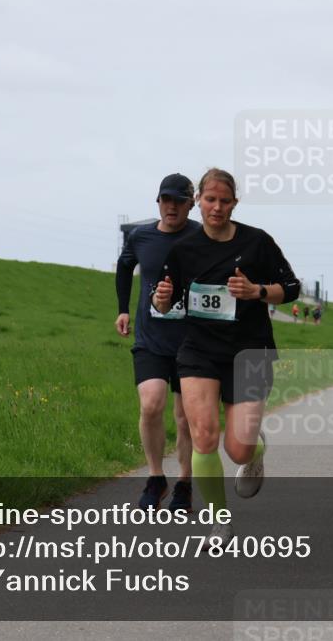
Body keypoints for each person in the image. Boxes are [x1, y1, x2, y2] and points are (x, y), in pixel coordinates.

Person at [152, 168, 300, 545]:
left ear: (235, 203)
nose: (216, 207)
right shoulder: (183, 250)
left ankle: (255, 451)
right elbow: (165, 300)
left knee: (238, 449)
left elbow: (292, 288)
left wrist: (257, 291)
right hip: (199, 351)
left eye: (225, 201)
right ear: (198, 200)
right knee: (203, 435)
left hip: (249, 352)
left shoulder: (258, 243)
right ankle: (220, 524)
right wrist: (162, 300)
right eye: (210, 199)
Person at [115, 174, 199, 512]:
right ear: (158, 202)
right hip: (150, 338)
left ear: (191, 204)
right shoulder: (141, 236)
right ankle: (155, 477)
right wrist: (122, 309)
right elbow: (124, 269)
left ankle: (184, 483)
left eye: (179, 201)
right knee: (151, 404)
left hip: (191, 341)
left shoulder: (201, 236)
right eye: (166, 200)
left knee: (184, 416)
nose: (172, 207)